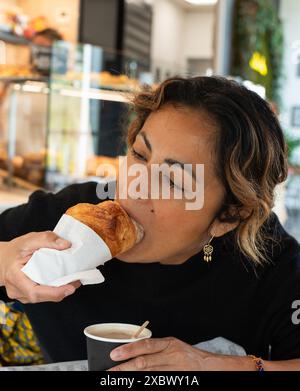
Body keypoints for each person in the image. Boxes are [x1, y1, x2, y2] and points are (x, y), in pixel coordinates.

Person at [0, 76, 300, 370]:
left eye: (172, 180)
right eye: (140, 155)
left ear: (229, 215)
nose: (135, 186)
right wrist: (5, 264)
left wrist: (222, 366)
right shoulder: (70, 218)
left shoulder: (272, 261)